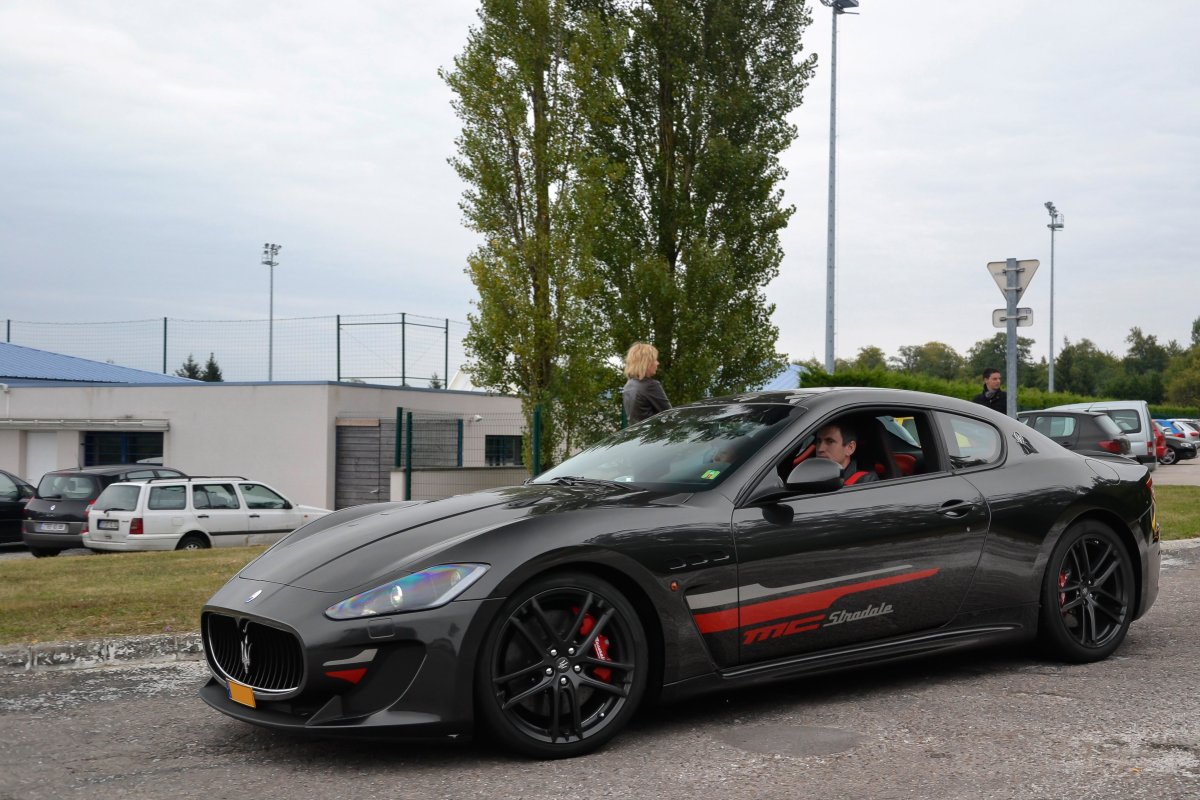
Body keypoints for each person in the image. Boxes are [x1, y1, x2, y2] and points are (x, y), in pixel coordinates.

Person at [813, 421, 879, 485]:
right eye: (819, 441)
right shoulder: (812, 475)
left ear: (850, 448)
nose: (820, 449)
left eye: (830, 441)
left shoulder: (865, 482)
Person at [622, 342, 671, 425]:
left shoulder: (628, 385)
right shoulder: (650, 385)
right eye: (655, 360)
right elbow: (670, 415)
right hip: (653, 432)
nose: (657, 363)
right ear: (646, 363)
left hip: (636, 432)